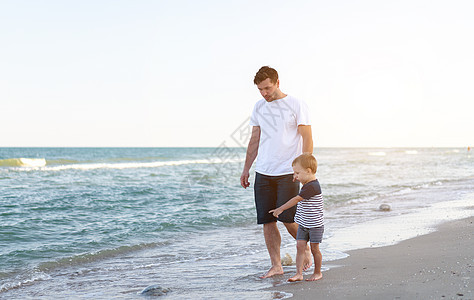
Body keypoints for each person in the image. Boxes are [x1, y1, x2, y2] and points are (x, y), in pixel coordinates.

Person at [240, 66, 314, 278]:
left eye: (267, 88)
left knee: (288, 219)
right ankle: (276, 265)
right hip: (263, 171)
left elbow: (307, 138)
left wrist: (304, 171)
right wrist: (246, 168)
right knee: (267, 220)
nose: (264, 93)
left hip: (288, 172)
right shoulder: (259, 107)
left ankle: (306, 249)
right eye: (260, 90)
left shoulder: (296, 104)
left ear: (277, 82)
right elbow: (254, 139)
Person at [269, 153, 324, 282]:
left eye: (297, 173)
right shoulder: (307, 184)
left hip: (315, 225)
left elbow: (296, 199)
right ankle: (299, 273)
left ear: (308, 171)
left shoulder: (313, 186)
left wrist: (280, 208)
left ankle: (317, 272)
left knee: (315, 249)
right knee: (300, 247)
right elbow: (301, 194)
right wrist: (299, 177)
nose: (295, 176)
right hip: (304, 224)